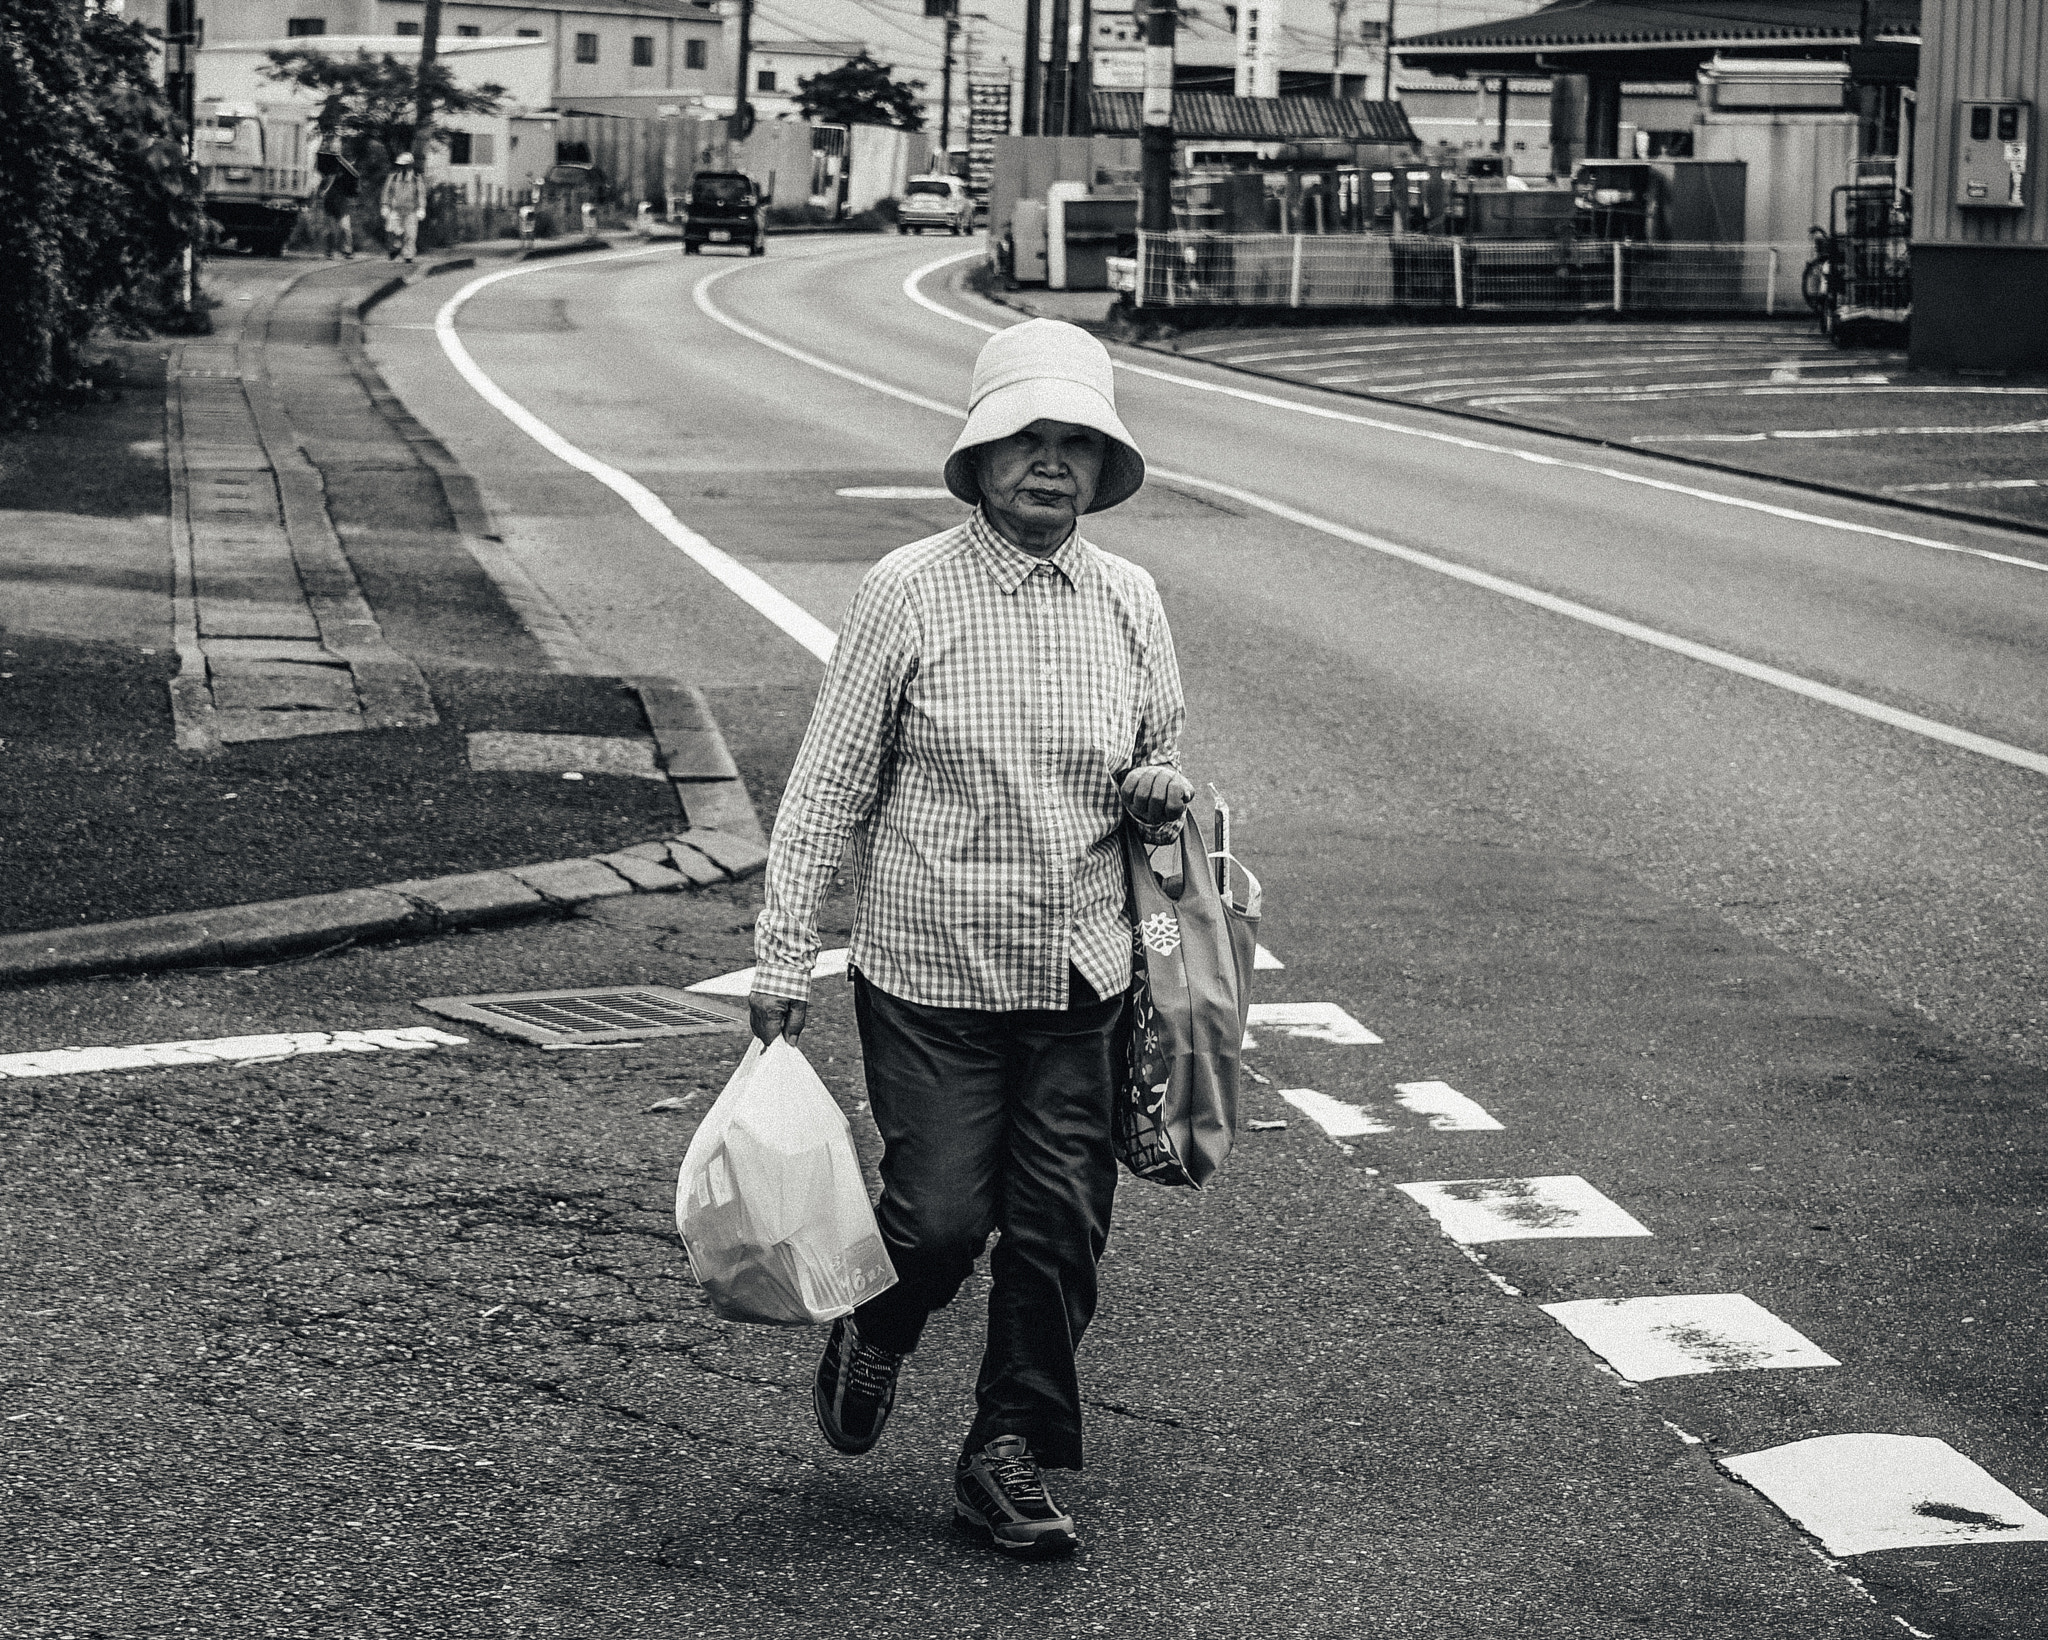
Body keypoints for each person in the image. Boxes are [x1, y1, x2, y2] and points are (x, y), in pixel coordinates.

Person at [749, 319, 1193, 1559]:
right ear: (980, 455)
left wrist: (1154, 788)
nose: (1050, 464)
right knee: (939, 1215)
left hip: (1082, 971)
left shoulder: (1129, 598)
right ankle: (880, 1327)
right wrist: (782, 957)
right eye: (1026, 440)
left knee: (1059, 1228)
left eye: (1075, 445)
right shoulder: (907, 590)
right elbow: (828, 786)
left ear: (1103, 468)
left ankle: (1007, 1448)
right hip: (932, 967)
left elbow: (1157, 755)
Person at [379, 152, 426, 264]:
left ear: (410, 165)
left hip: (411, 210)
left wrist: (421, 208)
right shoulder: (393, 177)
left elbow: (421, 194)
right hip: (396, 210)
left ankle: (408, 256)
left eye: (405, 165)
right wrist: (385, 205)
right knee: (392, 230)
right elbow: (387, 191)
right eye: (401, 165)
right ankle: (395, 248)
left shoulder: (416, 178)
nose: (402, 167)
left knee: (410, 234)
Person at [314, 143, 358, 260]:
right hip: (330, 204)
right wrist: (323, 190)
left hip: (342, 204)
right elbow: (321, 188)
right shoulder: (327, 171)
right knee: (331, 230)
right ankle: (329, 252)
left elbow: (353, 186)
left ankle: (347, 250)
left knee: (345, 228)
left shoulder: (346, 171)